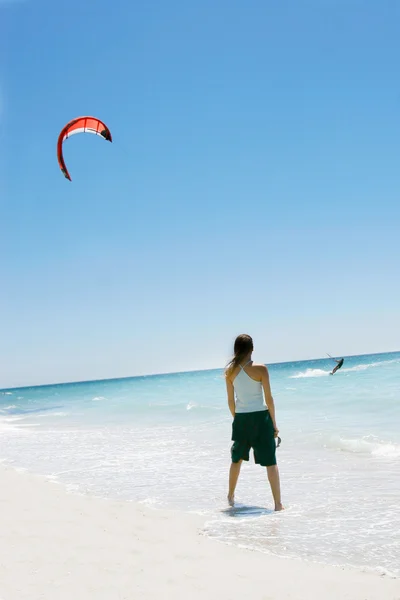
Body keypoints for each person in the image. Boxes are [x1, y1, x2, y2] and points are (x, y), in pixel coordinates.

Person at [225, 334, 283, 511]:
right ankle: (278, 505)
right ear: (252, 349)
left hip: (241, 419)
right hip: (261, 419)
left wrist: (238, 419)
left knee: (236, 460)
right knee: (271, 463)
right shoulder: (261, 369)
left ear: (236, 350)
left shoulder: (229, 372)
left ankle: (230, 496)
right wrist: (274, 424)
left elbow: (230, 402)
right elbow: (269, 399)